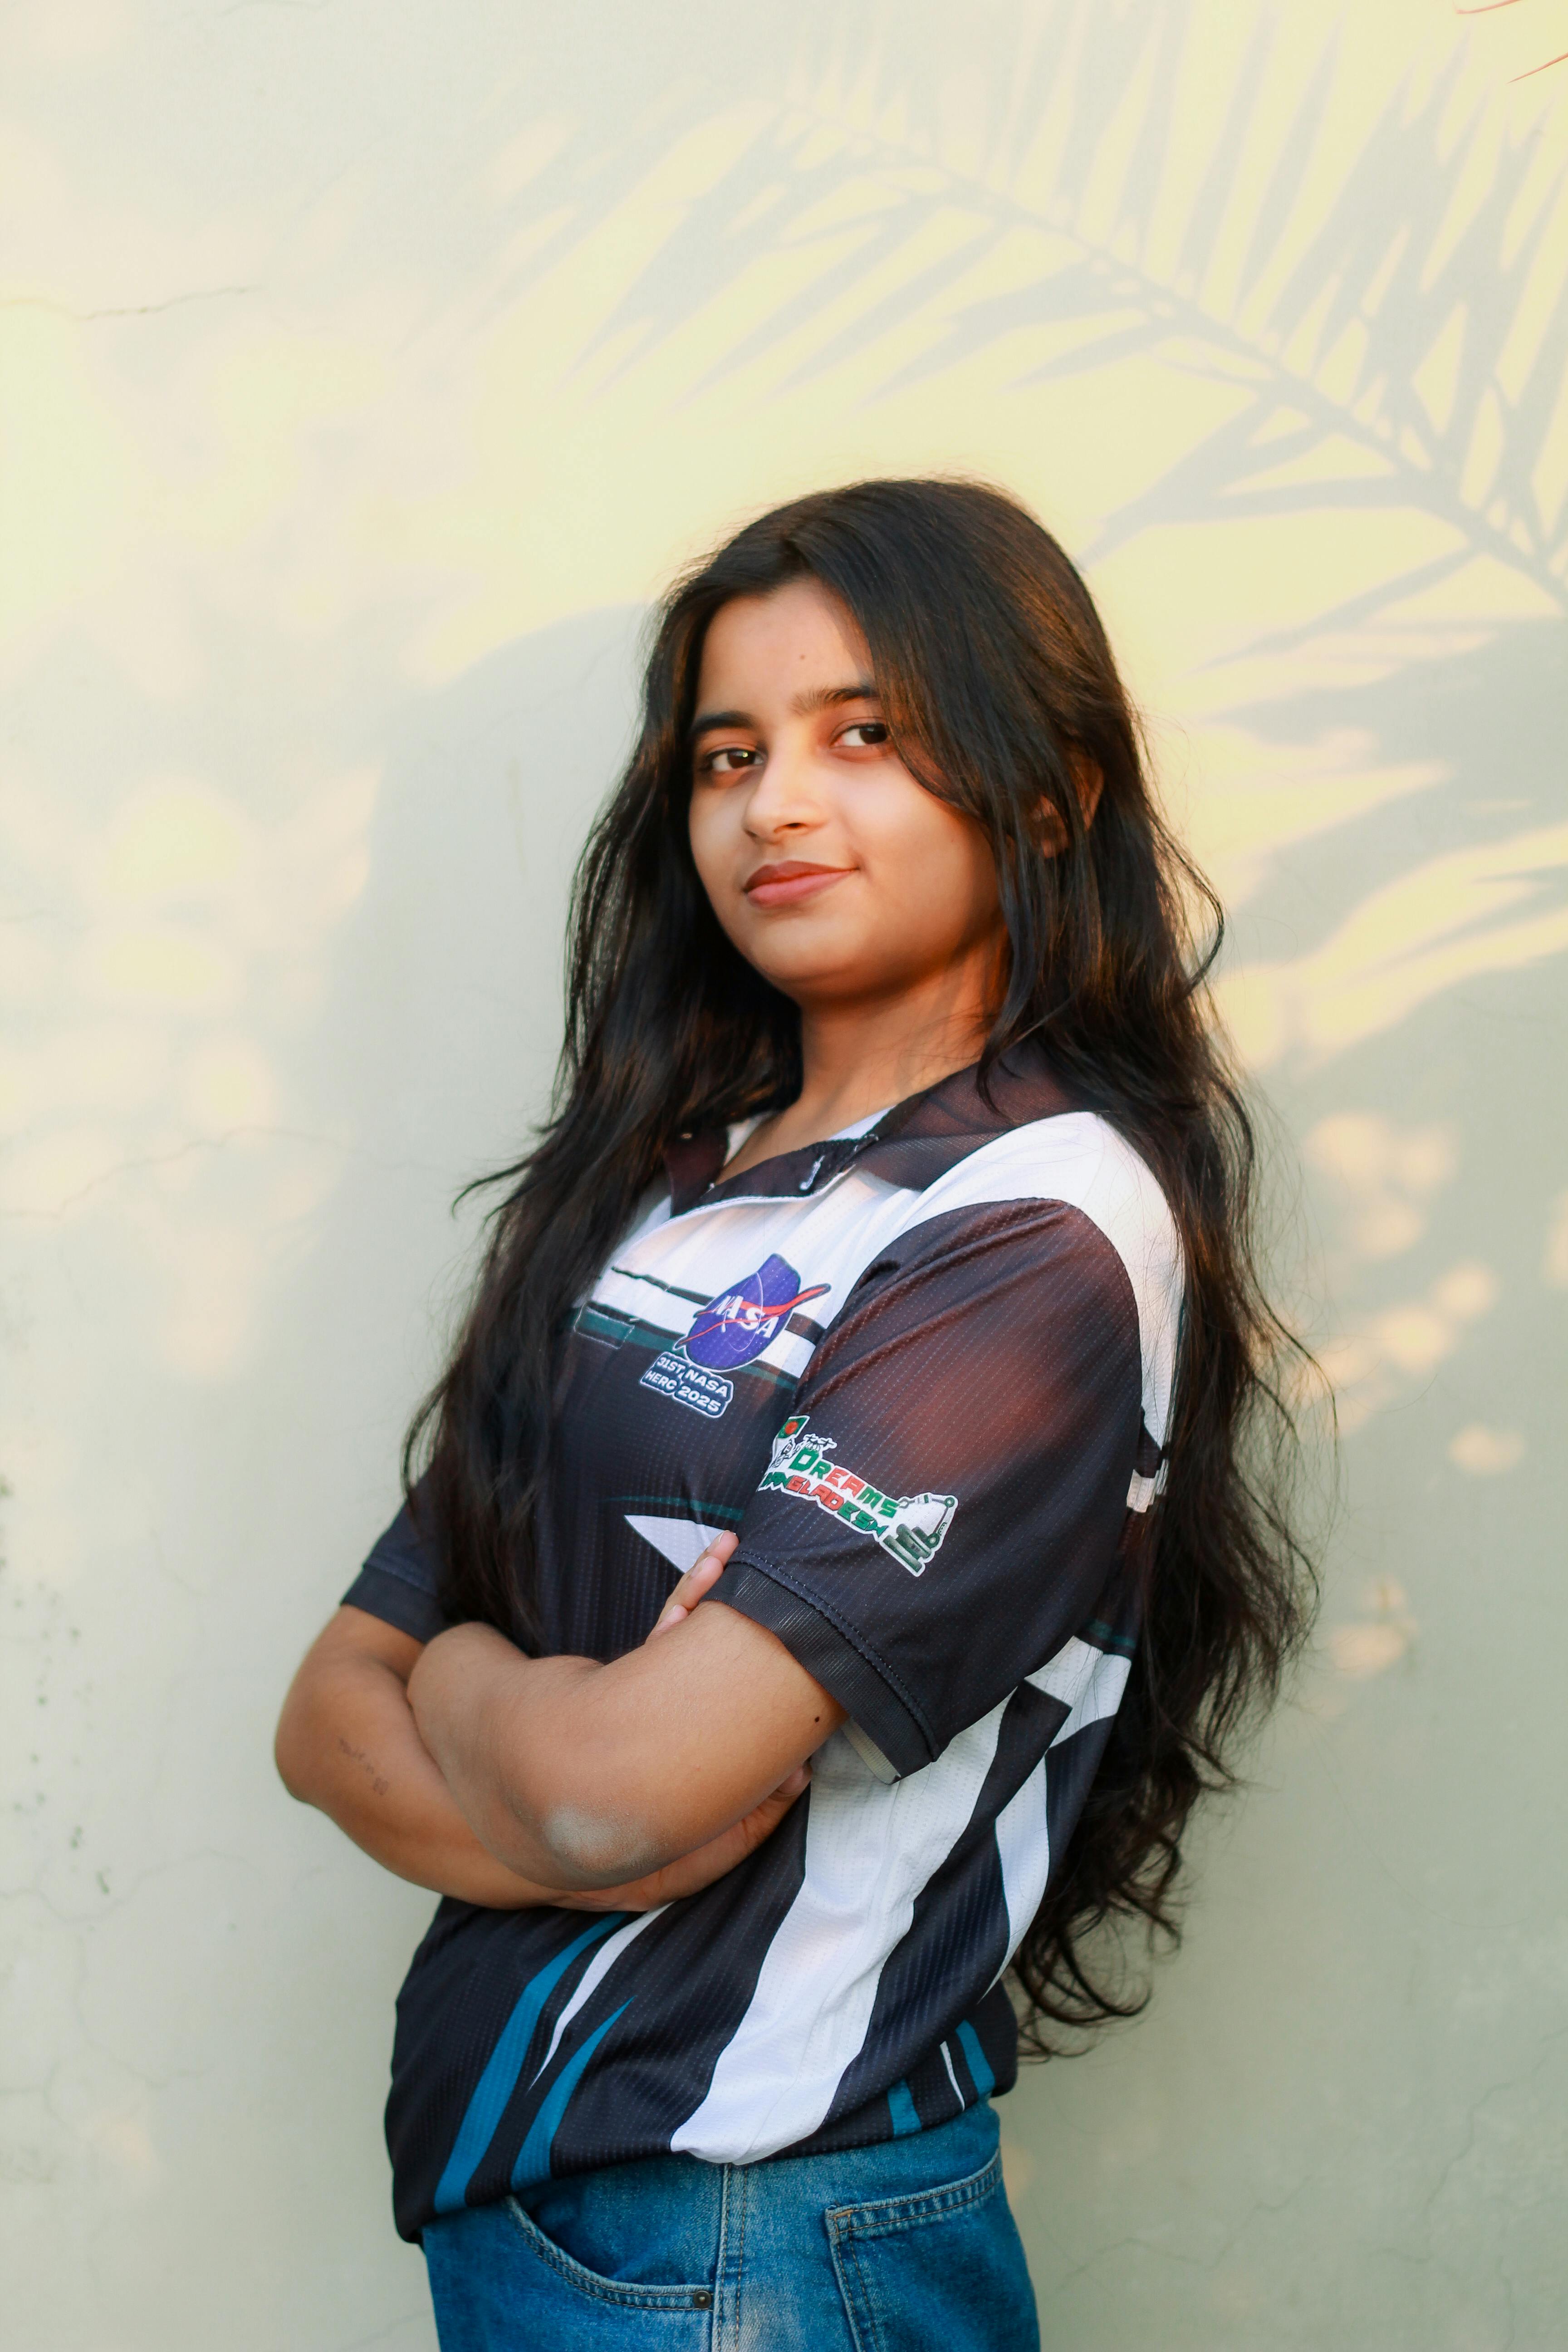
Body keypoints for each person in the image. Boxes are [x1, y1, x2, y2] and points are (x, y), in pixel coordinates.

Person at [275, 479, 1313, 2350]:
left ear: (1048, 790)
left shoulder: (1034, 1229)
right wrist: (541, 1739)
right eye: (727, 753)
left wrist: (500, 1711)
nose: (779, 805)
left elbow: (609, 1791)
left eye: (869, 736)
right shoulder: (657, 1189)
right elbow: (331, 1708)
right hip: (546, 2212)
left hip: (751, 2227)